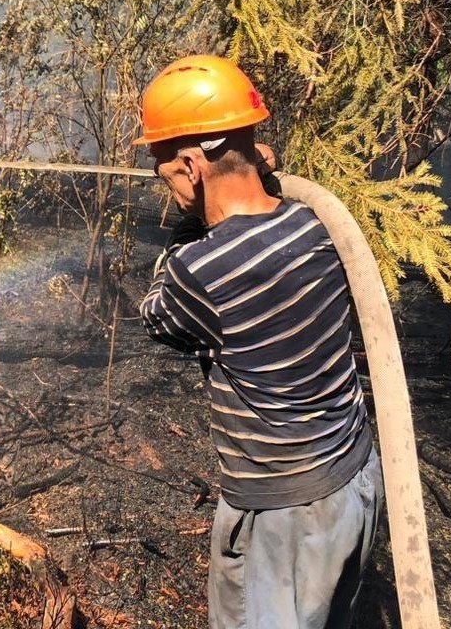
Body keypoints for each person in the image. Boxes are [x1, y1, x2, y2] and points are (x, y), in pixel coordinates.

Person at [135, 55, 384, 629]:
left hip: (281, 515)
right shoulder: (313, 226)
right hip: (352, 476)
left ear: (193, 166)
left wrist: (184, 228)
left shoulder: (198, 269)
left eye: (163, 170)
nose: (165, 183)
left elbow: (157, 316)